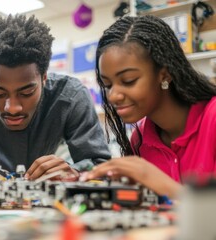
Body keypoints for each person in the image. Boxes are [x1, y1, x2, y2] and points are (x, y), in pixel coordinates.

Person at [0, 14, 111, 181]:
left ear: (44, 78)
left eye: (26, 93)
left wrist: (75, 173)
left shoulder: (71, 97)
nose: (12, 108)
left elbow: (100, 166)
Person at [82, 15, 216, 199]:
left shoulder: (212, 118)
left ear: (165, 74)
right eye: (108, 85)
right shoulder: (140, 139)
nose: (113, 96)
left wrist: (158, 181)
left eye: (128, 81)